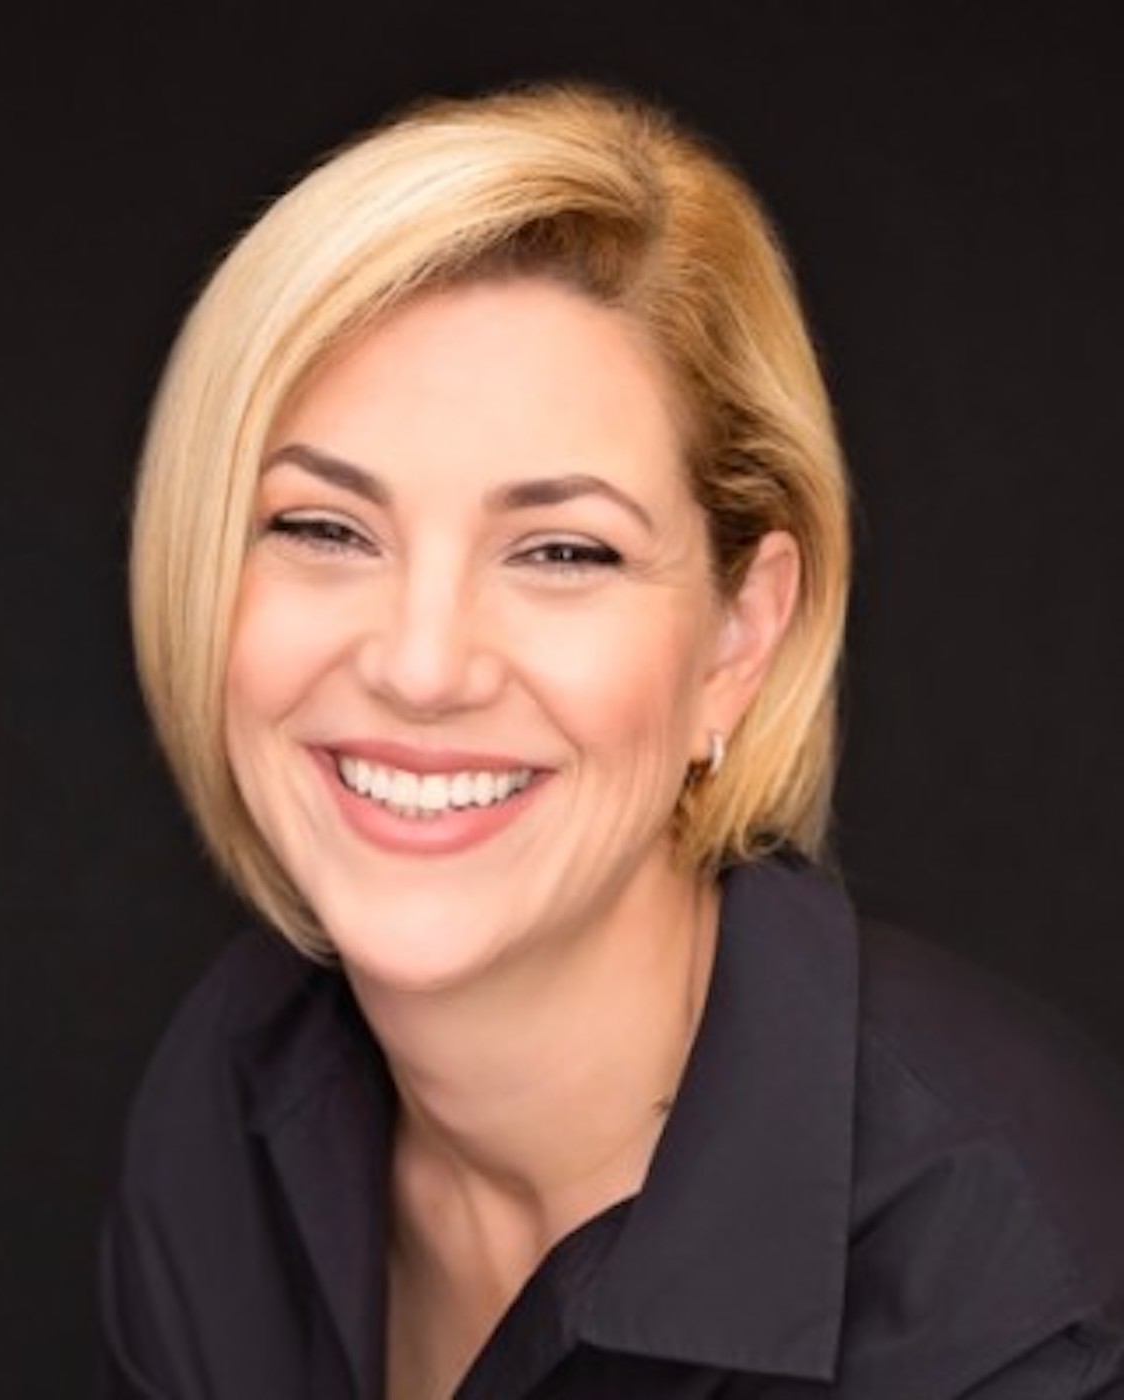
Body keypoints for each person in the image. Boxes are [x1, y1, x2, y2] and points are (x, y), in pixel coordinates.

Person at [101, 83, 1124, 1398]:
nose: (422, 667)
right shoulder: (235, 1091)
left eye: (563, 552)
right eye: (323, 529)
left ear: (737, 638)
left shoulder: (1015, 1319)